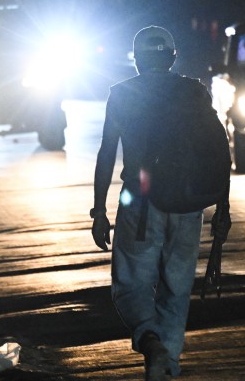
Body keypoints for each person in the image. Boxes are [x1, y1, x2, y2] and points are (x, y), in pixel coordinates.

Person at [92, 26, 232, 381]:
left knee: (131, 284)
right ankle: (165, 370)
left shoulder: (122, 94)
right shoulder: (193, 90)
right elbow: (218, 149)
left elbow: (107, 153)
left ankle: (150, 341)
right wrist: (223, 209)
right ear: (172, 58)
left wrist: (99, 210)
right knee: (176, 289)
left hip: (140, 202)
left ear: (136, 59)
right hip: (189, 204)